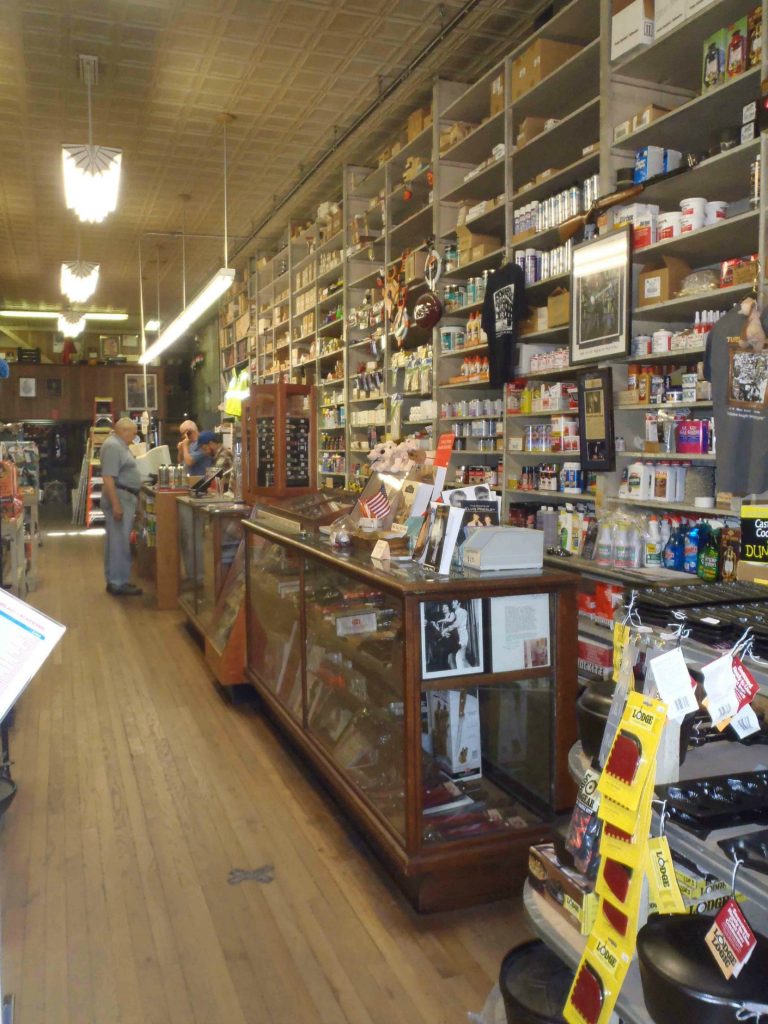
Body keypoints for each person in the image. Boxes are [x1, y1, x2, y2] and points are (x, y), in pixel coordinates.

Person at [101, 417, 143, 597]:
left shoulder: (119, 445)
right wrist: (116, 504)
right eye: (133, 433)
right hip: (120, 496)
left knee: (117, 540)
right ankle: (118, 582)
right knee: (119, 542)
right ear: (124, 431)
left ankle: (114, 580)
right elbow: (108, 477)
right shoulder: (113, 446)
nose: (134, 437)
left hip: (124, 496)